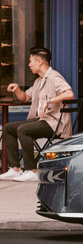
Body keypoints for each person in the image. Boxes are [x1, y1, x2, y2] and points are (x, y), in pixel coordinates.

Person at [0, 47, 74, 182]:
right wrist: (17, 89)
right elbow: (25, 98)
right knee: (8, 128)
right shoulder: (38, 81)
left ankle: (31, 170)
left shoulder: (54, 77)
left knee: (23, 130)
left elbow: (69, 94)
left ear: (39, 61)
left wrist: (49, 101)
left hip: (54, 123)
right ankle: (15, 169)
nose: (29, 64)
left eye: (30, 61)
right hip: (41, 120)